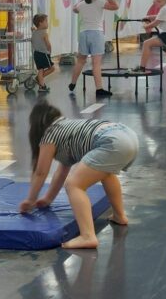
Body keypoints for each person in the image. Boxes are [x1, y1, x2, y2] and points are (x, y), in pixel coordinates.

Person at [19, 101, 138, 249]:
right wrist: (48, 198)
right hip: (127, 135)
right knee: (106, 174)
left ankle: (87, 236)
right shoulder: (67, 128)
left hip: (111, 141)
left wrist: (30, 199)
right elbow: (62, 170)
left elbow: (41, 172)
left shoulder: (49, 134)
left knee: (74, 185)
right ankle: (119, 216)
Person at [69, 0, 119, 97]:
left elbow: (74, 8)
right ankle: (99, 89)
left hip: (83, 34)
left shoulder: (81, 4)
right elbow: (116, 6)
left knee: (81, 61)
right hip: (96, 34)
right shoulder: (99, 1)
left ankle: (72, 83)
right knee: (96, 63)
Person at [31, 14, 55, 93]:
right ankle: (40, 81)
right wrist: (49, 52)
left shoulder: (35, 32)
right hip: (43, 54)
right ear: (40, 23)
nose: (47, 23)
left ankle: (41, 84)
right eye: (46, 21)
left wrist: (33, 28)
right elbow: (48, 44)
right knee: (52, 68)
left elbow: (33, 29)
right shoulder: (44, 33)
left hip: (36, 54)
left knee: (40, 69)